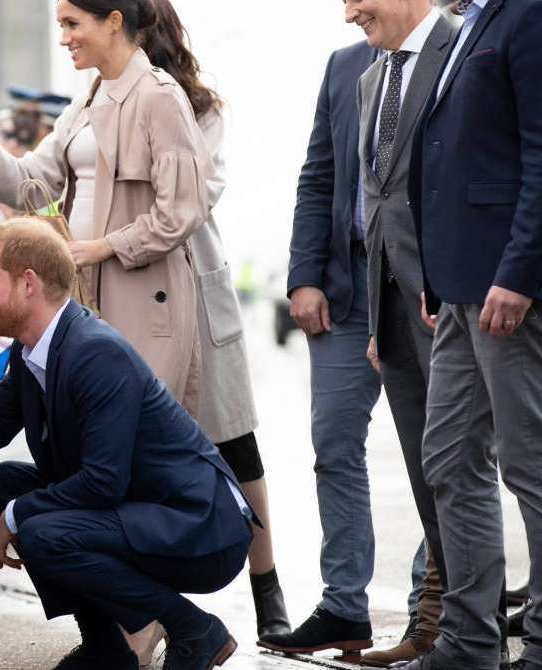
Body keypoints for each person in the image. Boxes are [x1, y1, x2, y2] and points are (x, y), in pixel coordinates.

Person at [0, 219, 253, 670]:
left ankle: (194, 627)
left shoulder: (95, 351)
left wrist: (17, 516)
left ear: (28, 284)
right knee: (7, 484)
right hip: (144, 506)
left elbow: (103, 482)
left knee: (41, 529)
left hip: (199, 524)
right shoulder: (32, 349)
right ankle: (105, 648)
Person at [0, 0, 212, 412]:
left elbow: (180, 212)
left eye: (73, 24)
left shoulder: (160, 96)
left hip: (144, 299)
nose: (64, 38)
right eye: (59, 25)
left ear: (113, 22)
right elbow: (30, 183)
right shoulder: (85, 103)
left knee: (133, 437)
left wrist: (104, 246)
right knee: (90, 432)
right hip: (83, 293)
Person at [140, 0, 291, 648]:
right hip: (129, 298)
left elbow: (193, 198)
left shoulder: (201, 108)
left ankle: (269, 588)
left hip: (197, 295)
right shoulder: (98, 107)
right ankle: (149, 612)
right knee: (138, 455)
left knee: (237, 444)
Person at [405, 0, 542, 667]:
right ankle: (468, 645)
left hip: (507, 289)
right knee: (450, 460)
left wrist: (520, 272)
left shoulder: (529, 14)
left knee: (529, 463)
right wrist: (435, 275)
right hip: (458, 288)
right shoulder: (471, 26)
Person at [342, 0, 459, 666]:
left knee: (475, 472)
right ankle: (442, 626)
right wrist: (375, 318)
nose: (349, 12)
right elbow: (375, 201)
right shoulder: (370, 78)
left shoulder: (462, 50)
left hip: (456, 303)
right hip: (394, 312)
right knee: (427, 473)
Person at [264, 32, 382, 661]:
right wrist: (305, 275)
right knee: (334, 447)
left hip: (425, 293)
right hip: (345, 292)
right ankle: (345, 606)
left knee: (445, 459)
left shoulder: (457, 50)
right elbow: (318, 176)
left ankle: (436, 598)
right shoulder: (344, 66)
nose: (351, 10)